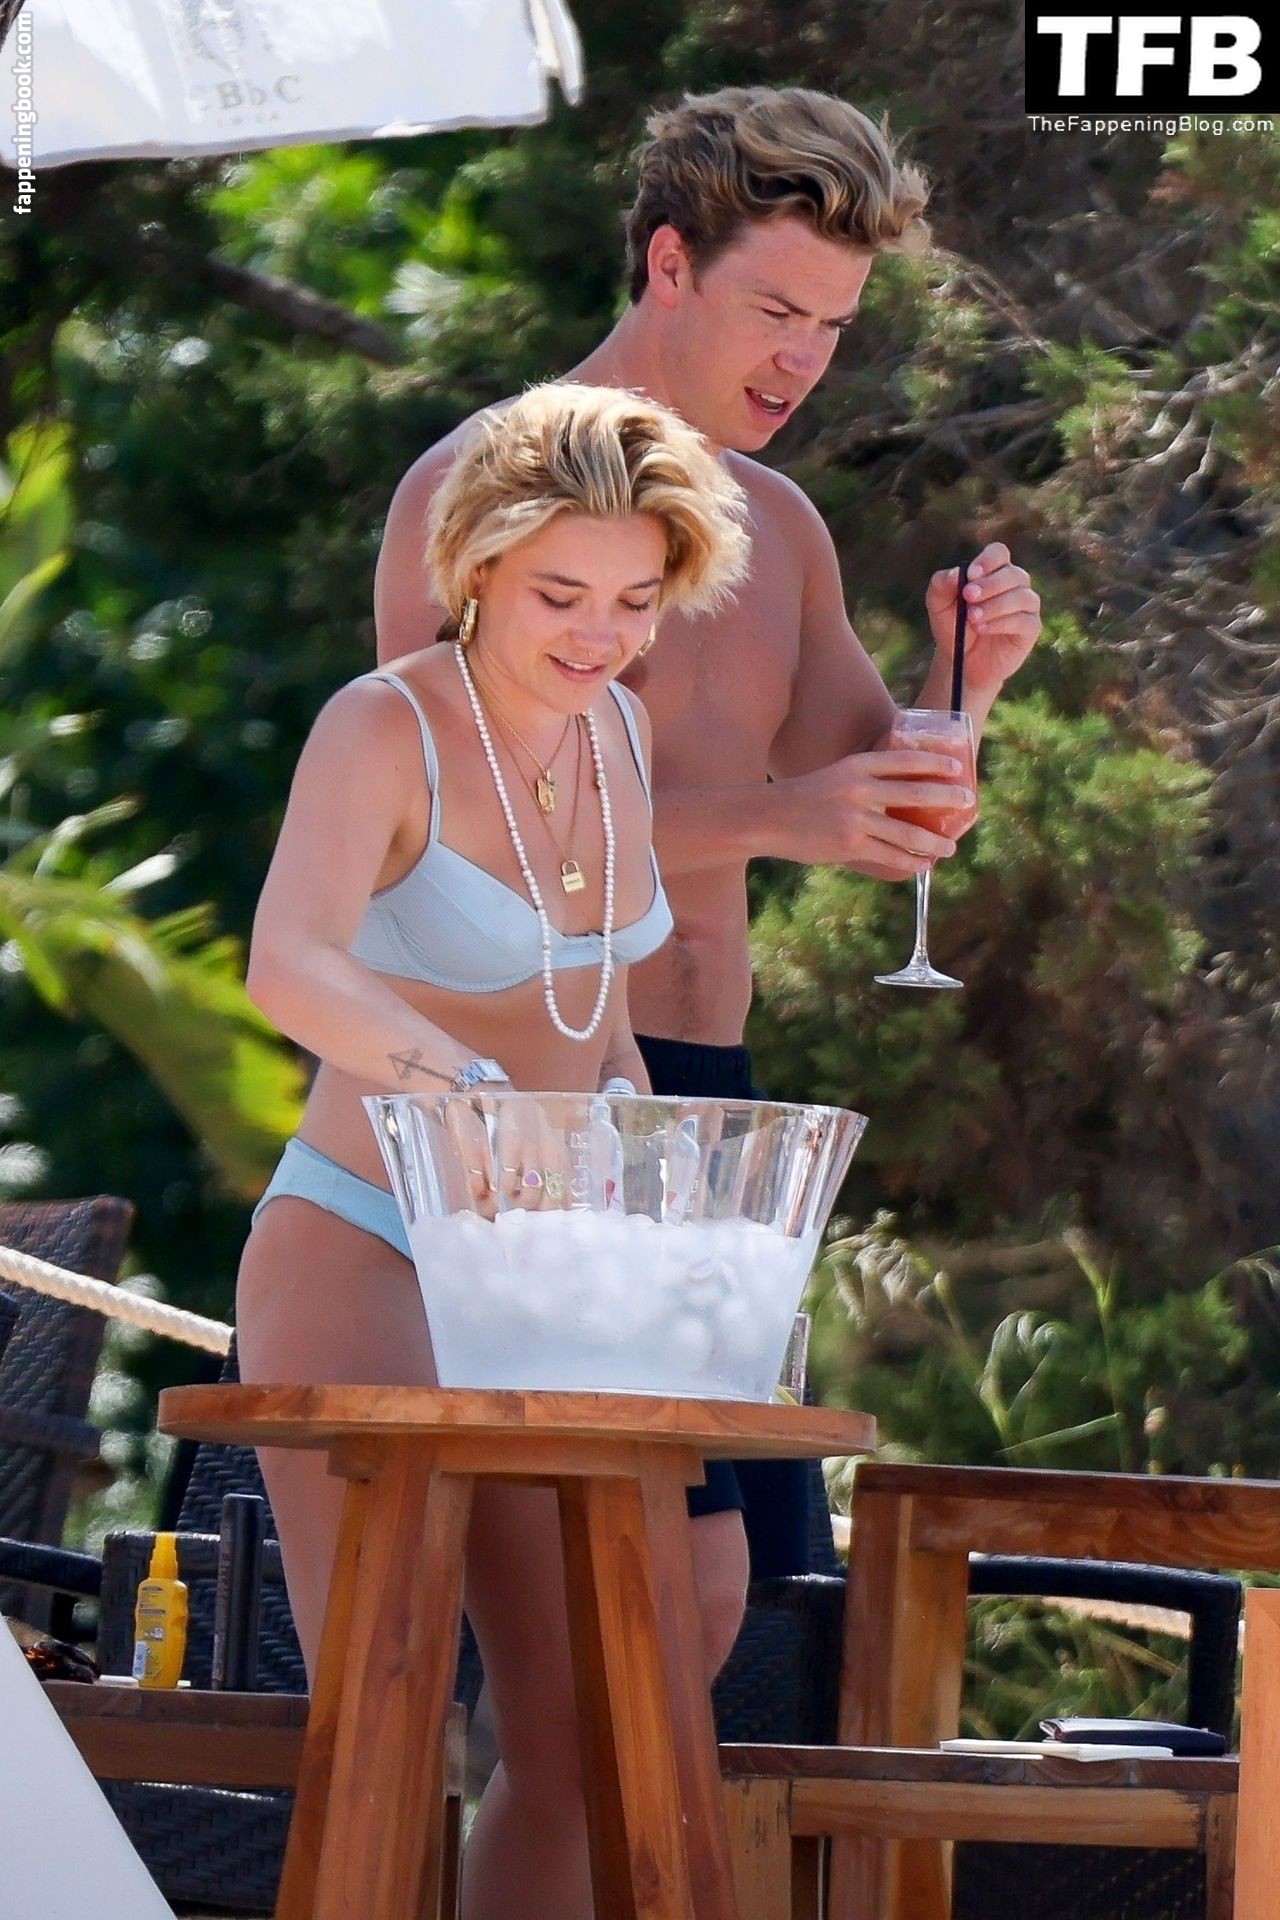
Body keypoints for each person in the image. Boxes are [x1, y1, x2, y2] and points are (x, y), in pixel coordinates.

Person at [375, 86, 1044, 1583]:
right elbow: (451, 844)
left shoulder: (782, 529)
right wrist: (780, 820)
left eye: (835, 328)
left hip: (713, 1121)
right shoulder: (479, 493)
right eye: (777, 312)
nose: (804, 361)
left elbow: (899, 814)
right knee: (635, 1600)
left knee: (729, 1603)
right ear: (670, 264)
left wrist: (970, 689)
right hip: (530, 1109)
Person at [236, 381, 750, 1920]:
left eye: (636, 601)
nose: (600, 634)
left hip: (546, 1271)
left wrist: (654, 1183)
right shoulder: (381, 725)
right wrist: (456, 1081)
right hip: (367, 1238)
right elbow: (287, 964)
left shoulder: (622, 730)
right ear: (476, 566)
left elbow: (598, 1022)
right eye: (560, 594)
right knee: (389, 1723)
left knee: (585, 1737)